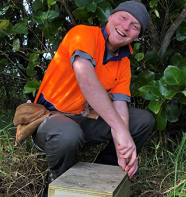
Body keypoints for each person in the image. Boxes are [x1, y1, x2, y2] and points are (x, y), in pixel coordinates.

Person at [31, 1, 155, 194]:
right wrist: (120, 130)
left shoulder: (123, 64)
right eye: (123, 17)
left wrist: (125, 147)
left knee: (142, 120)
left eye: (135, 26)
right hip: (50, 120)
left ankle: (105, 176)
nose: (125, 27)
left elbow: (120, 109)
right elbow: (87, 81)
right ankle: (59, 185)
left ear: (137, 36)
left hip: (84, 119)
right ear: (110, 17)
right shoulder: (83, 33)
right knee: (67, 133)